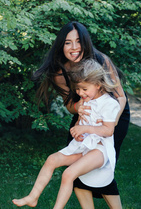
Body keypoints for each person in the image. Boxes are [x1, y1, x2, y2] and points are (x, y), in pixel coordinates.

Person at [33, 21, 130, 209]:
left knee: (102, 167)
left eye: (78, 41)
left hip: (113, 114)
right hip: (85, 114)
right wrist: (81, 110)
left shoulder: (101, 61)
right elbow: (70, 106)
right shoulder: (60, 71)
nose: (74, 47)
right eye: (68, 42)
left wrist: (107, 126)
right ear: (62, 46)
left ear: (85, 42)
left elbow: (121, 98)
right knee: (76, 166)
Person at [13, 59, 121, 208]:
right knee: (52, 160)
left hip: (100, 149)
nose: (80, 93)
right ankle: (33, 197)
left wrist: (85, 129)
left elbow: (108, 130)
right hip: (83, 146)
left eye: (84, 89)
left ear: (97, 84)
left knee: (68, 174)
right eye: (77, 89)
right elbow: (80, 124)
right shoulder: (86, 99)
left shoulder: (109, 104)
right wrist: (77, 129)